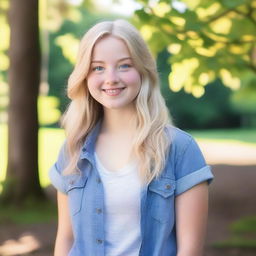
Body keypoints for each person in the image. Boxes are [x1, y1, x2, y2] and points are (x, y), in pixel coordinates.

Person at [49, 19, 214, 256]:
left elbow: (190, 250)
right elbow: (65, 239)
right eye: (98, 67)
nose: (111, 78)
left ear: (142, 70)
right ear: (84, 75)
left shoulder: (180, 149)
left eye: (124, 66)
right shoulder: (72, 150)